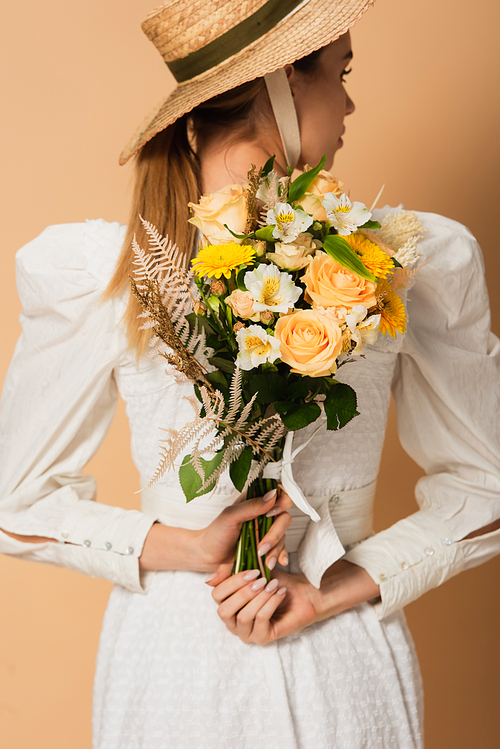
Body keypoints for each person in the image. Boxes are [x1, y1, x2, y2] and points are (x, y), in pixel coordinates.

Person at [1, 0, 499, 747]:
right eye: (340, 71)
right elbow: (15, 497)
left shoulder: (395, 263)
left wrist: (327, 591)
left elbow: (488, 483)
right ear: (285, 83)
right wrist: (197, 547)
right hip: (177, 673)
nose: (352, 99)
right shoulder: (108, 276)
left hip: (332, 665)